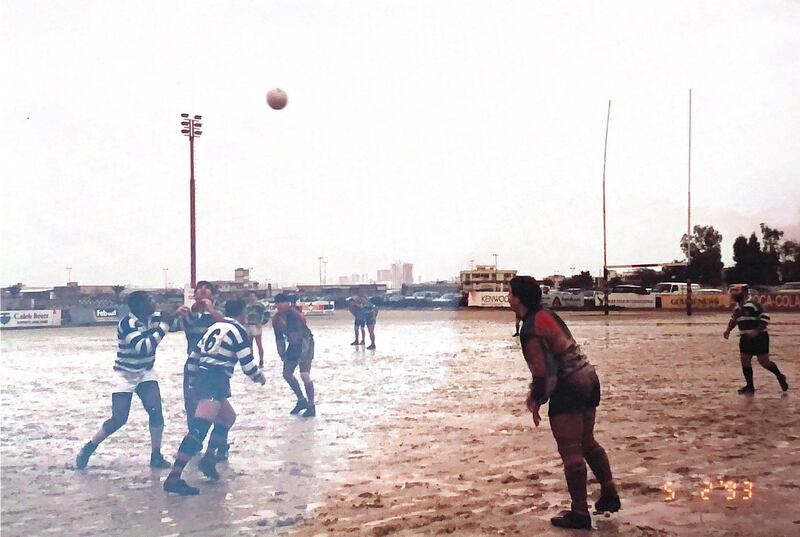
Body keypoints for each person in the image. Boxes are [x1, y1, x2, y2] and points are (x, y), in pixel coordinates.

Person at [508, 276, 620, 530]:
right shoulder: (548, 314)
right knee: (588, 442)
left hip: (569, 386)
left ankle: (580, 513)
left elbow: (543, 372)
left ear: (518, 298)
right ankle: (609, 492)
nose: (507, 297)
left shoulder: (530, 329)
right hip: (588, 376)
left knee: (571, 450)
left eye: (510, 293)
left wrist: (536, 400)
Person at [163, 298, 266, 495]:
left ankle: (208, 459)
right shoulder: (239, 332)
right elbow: (247, 364)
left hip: (204, 375)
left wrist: (193, 382)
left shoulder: (215, 326)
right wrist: (259, 377)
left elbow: (195, 355)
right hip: (215, 379)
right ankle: (174, 477)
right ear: (243, 313)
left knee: (228, 417)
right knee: (199, 429)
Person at [76, 291, 179, 470]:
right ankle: (89, 447)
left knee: (156, 413)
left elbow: (173, 325)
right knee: (119, 418)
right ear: (139, 306)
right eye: (150, 300)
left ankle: (156, 455)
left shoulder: (154, 318)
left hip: (146, 372)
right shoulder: (126, 324)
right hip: (124, 373)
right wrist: (164, 325)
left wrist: (177, 314)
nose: (154, 303)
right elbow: (144, 348)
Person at [172, 281, 234, 462]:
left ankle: (220, 446)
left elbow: (227, 327)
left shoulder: (218, 314)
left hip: (216, 368)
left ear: (213, 295)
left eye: (207, 289)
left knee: (219, 408)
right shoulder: (190, 315)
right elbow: (175, 326)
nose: (203, 291)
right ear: (195, 295)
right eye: (200, 289)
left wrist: (211, 310)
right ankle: (194, 444)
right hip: (194, 367)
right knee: (192, 407)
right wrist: (186, 312)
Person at [723, 284, 788, 394]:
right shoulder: (737, 308)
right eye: (732, 291)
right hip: (745, 339)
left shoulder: (754, 305)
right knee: (745, 361)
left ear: (744, 292)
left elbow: (765, 318)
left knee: (764, 362)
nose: (733, 293)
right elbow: (733, 319)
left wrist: (756, 331)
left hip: (760, 338)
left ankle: (779, 376)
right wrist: (728, 330)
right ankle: (750, 386)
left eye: (736, 291)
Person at [272, 293, 316, 417]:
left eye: (283, 302)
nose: (280, 305)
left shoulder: (296, 315)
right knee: (287, 374)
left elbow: (304, 334)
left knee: (305, 375)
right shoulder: (276, 319)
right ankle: (301, 400)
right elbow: (279, 339)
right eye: (278, 303)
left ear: (288, 303)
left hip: (306, 343)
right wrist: (282, 354)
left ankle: (311, 405)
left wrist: (303, 355)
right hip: (293, 345)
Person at [245, 292, 270, 367]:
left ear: (256, 297)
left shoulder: (260, 305)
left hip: (256, 326)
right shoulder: (247, 306)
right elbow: (244, 315)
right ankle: (251, 362)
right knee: (249, 345)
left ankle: (261, 361)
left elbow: (266, 314)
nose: (252, 297)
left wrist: (262, 322)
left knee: (259, 344)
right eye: (250, 296)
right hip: (248, 326)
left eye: (253, 296)